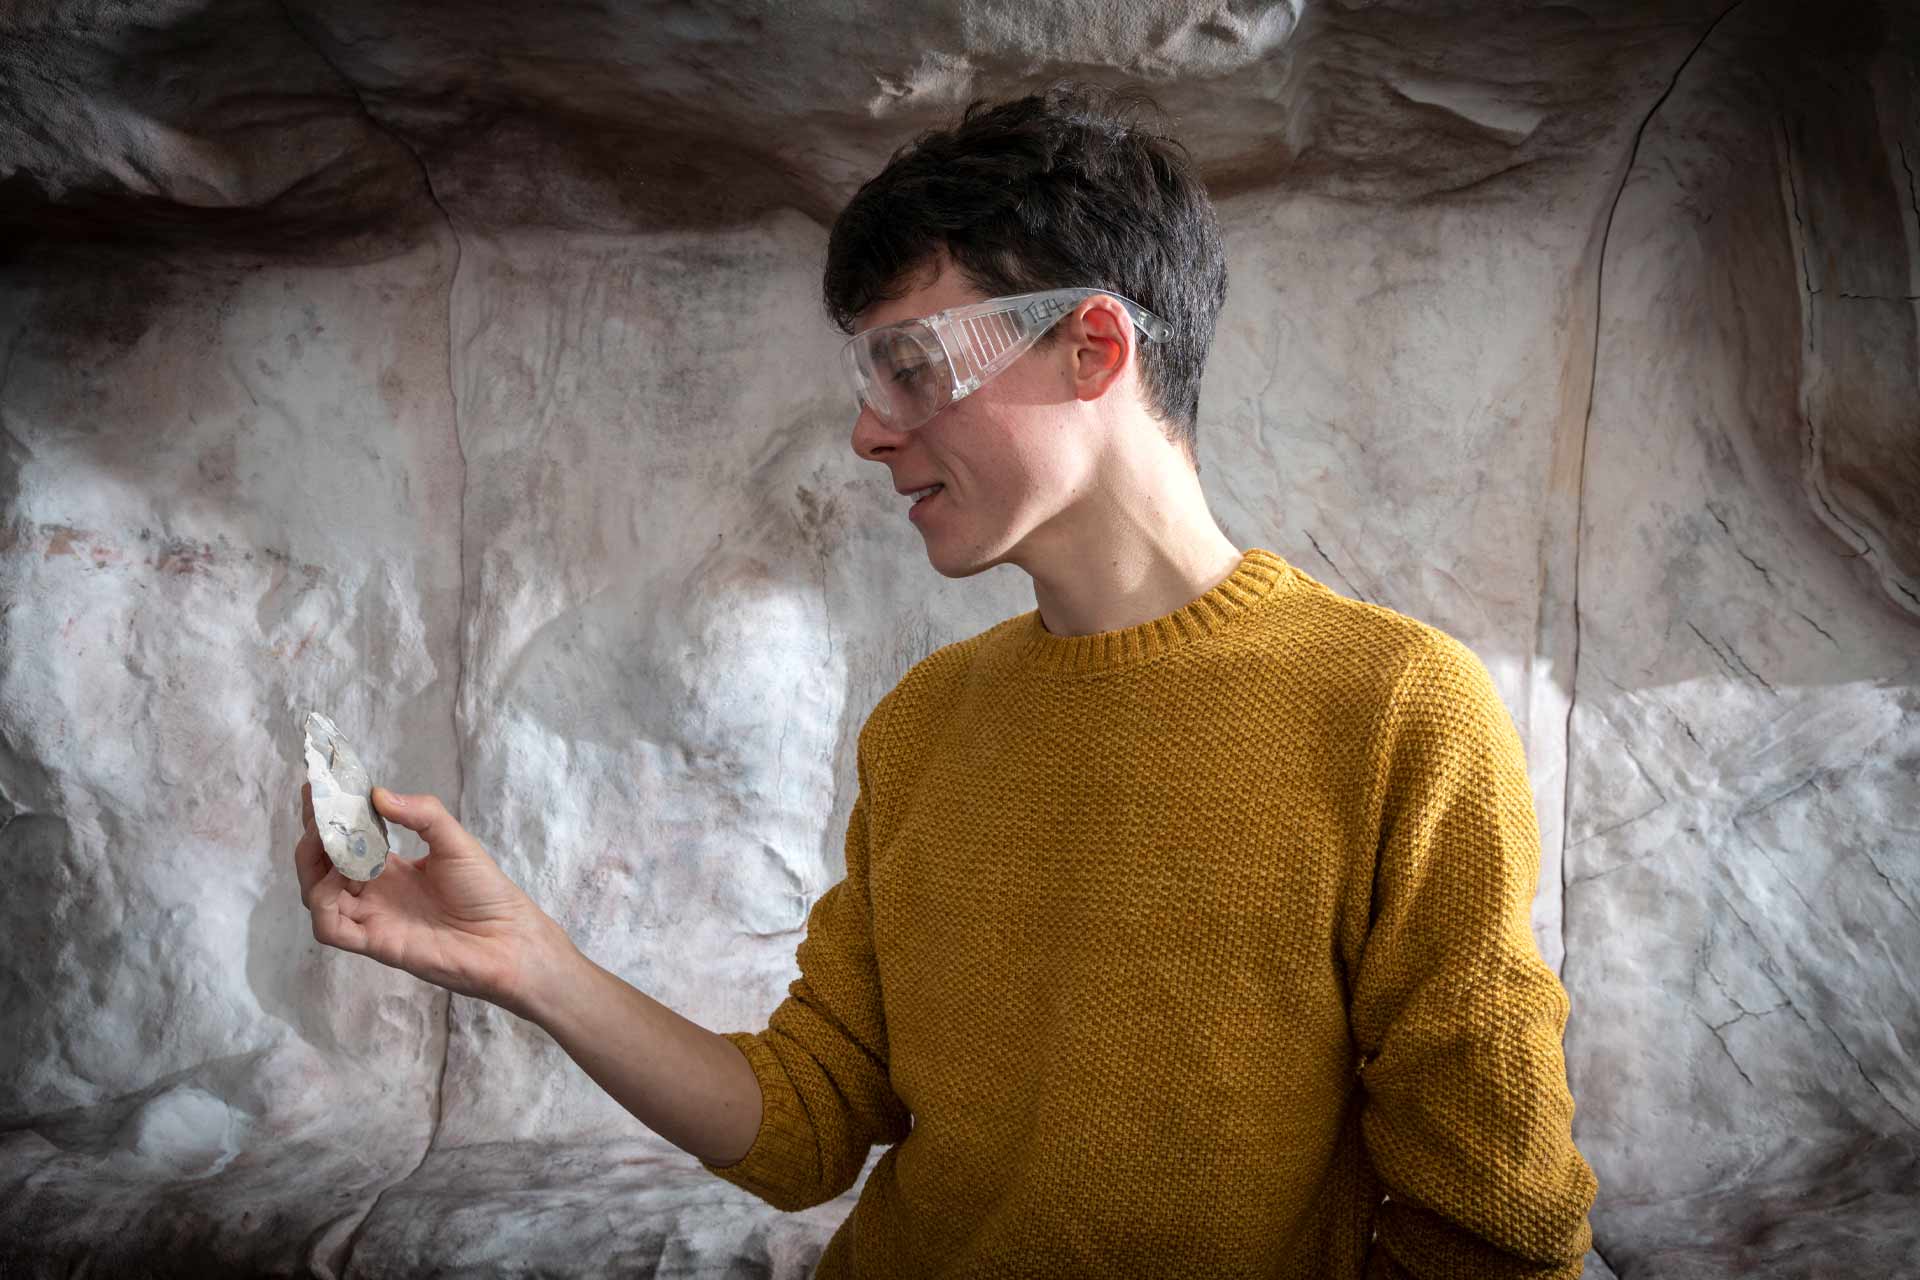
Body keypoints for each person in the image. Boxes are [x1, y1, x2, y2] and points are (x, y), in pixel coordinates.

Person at [294, 80, 1598, 1278]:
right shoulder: (926, 725)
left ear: (1093, 347)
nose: (867, 432)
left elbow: (1496, 1229)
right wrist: (527, 962)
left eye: (911, 368)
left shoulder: (1396, 713)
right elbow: (808, 1126)